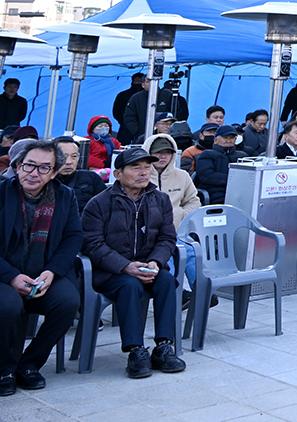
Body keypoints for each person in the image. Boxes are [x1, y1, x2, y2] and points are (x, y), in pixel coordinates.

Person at [81, 146, 186, 378]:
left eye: (147, 167)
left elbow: (168, 237)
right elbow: (92, 244)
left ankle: (164, 346)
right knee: (130, 285)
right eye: (135, 167)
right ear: (118, 174)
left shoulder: (160, 199)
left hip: (148, 266)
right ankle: (136, 350)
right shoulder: (99, 203)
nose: (143, 172)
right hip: (111, 271)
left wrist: (156, 262)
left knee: (166, 281)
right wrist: (125, 266)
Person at [0, 138, 83, 394]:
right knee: (8, 306)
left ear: (55, 172)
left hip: (44, 273)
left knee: (68, 302)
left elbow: (73, 237)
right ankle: (4, 368)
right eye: (28, 165)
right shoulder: (2, 192)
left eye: (43, 168)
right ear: (17, 166)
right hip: (4, 275)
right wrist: (12, 276)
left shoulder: (64, 196)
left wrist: (52, 272)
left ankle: (29, 364)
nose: (34, 173)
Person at [147, 133, 202, 231]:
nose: (163, 156)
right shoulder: (139, 176)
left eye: (167, 152)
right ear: (148, 153)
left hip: (176, 232)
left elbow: (194, 202)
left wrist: (179, 215)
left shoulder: (183, 175)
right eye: (158, 152)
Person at [192, 124, 244, 205]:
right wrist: (232, 180)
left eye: (232, 138)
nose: (229, 140)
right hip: (216, 194)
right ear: (215, 140)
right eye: (225, 138)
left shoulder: (242, 156)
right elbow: (206, 176)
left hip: (240, 193)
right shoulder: (207, 155)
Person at [53, 136, 108, 210]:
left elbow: (106, 207)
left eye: (74, 156)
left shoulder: (91, 178)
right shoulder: (44, 179)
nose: (69, 162)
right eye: (62, 157)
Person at [111, 73, 147, 141]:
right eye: (137, 80)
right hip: (125, 128)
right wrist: (125, 122)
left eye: (140, 81)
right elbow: (116, 111)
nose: (138, 83)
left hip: (144, 128)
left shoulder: (150, 96)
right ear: (132, 81)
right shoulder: (123, 95)